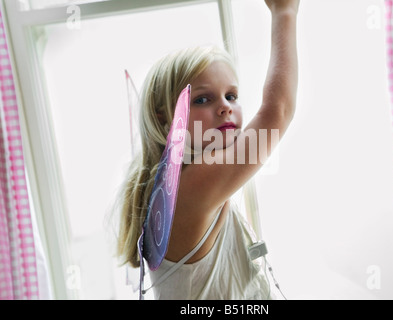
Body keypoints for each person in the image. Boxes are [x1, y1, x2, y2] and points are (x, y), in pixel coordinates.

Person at [116, 0, 299, 299]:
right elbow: (276, 112)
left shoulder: (182, 184)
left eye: (231, 95)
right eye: (202, 99)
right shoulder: (191, 186)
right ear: (165, 117)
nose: (225, 107)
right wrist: (285, 12)